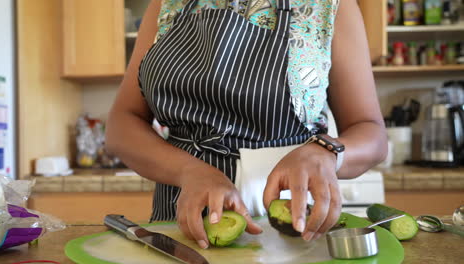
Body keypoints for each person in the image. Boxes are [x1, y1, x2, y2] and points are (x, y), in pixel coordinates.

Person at [105, 0, 388, 250]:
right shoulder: (167, 4)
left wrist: (325, 152)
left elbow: (371, 133)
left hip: (293, 229)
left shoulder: (329, 6)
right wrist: (190, 170)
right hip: (182, 224)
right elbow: (122, 123)